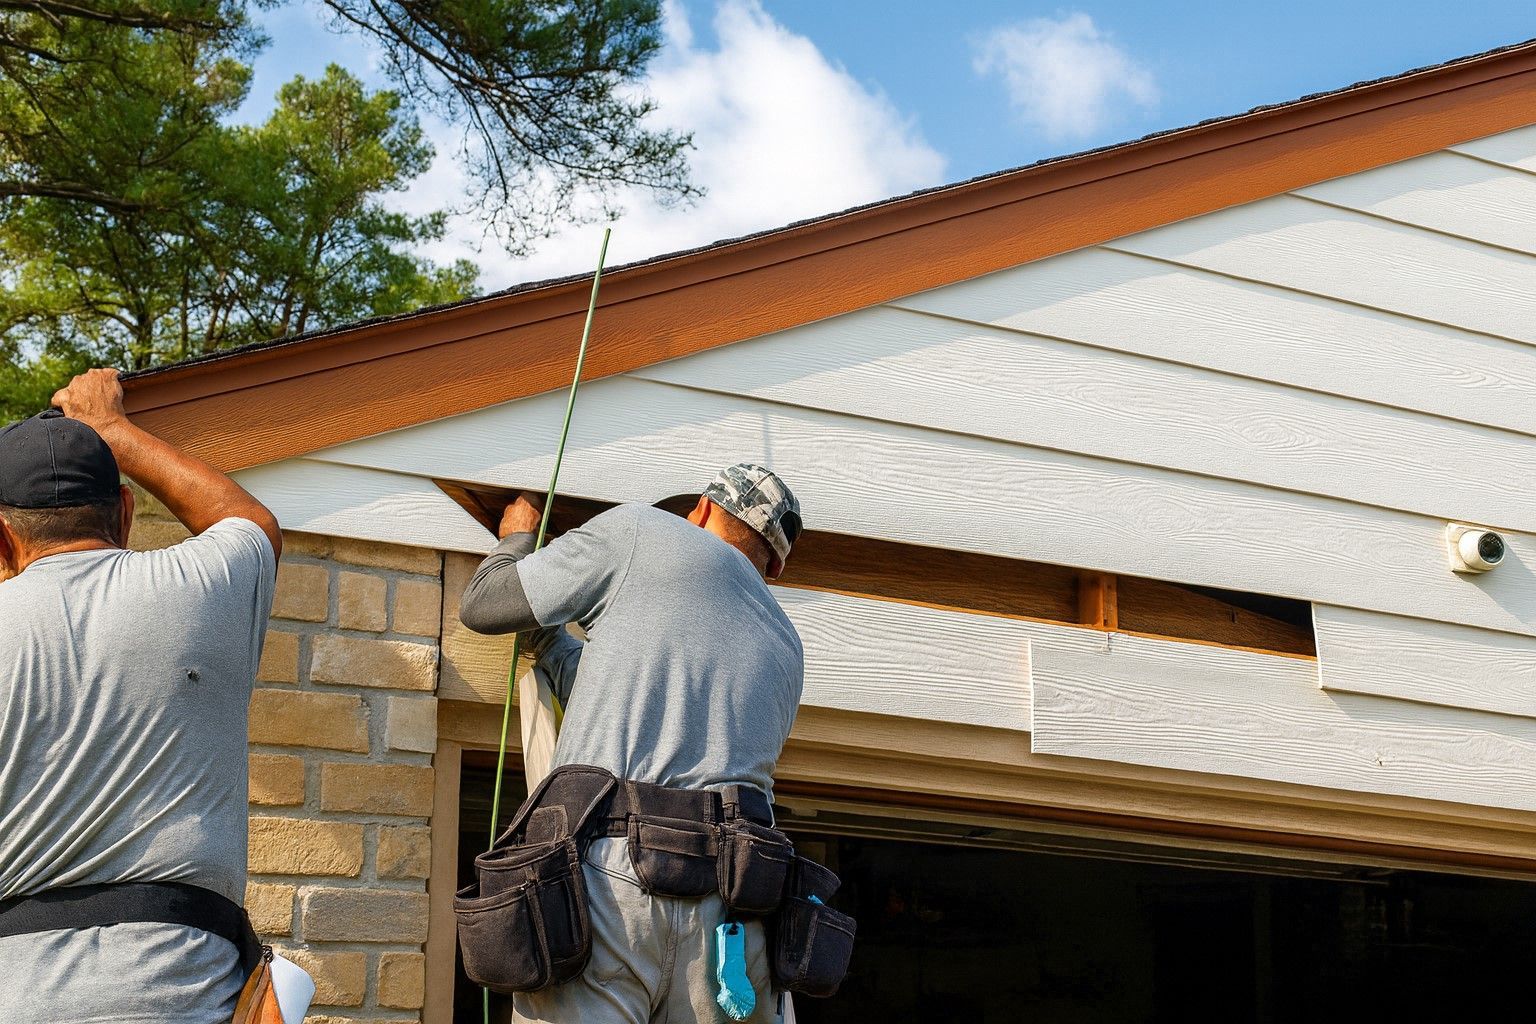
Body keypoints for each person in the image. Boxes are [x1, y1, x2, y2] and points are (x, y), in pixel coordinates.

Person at [459, 463, 806, 1024]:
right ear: (777, 566)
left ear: (701, 510)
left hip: (613, 880)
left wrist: (517, 540)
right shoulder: (787, 646)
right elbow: (626, 695)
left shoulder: (642, 531)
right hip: (731, 915)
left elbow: (485, 605)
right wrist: (552, 647)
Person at [0, 368, 282, 1023]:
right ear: (124, 513)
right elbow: (246, 520)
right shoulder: (201, 587)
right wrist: (113, 430)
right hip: (181, 993)